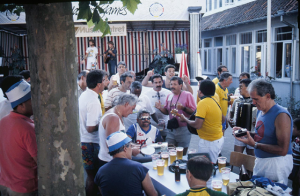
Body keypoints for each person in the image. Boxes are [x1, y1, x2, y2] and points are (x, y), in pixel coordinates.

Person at [234, 79, 293, 185]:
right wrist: (246, 133)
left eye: (256, 99)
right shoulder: (261, 111)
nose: (253, 103)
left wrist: (255, 145)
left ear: (268, 96)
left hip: (276, 164)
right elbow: (261, 136)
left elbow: (283, 150)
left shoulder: (281, 115)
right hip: (262, 161)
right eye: (252, 99)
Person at [0, 77, 37, 196]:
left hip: (5, 183)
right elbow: (41, 161)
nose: (35, 103)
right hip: (24, 188)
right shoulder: (27, 128)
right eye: (31, 100)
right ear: (21, 105)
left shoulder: (3, 121)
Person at [94, 131, 158, 196]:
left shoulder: (100, 171)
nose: (131, 149)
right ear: (125, 148)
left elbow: (102, 192)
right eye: (130, 146)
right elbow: (153, 195)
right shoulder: (138, 168)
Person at [79, 70, 108, 196]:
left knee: (91, 177)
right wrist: (104, 123)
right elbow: (90, 127)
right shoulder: (93, 101)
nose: (105, 83)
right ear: (98, 84)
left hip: (85, 141)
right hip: (91, 143)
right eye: (104, 80)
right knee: (94, 178)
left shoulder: (85, 95)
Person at [179, 80, 223, 164]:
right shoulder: (214, 100)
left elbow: (197, 125)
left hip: (210, 142)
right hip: (216, 139)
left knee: (206, 168)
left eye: (198, 89)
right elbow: (223, 118)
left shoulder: (203, 103)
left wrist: (185, 119)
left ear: (201, 92)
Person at [155, 76, 196, 154]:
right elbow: (167, 112)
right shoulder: (169, 95)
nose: (172, 86)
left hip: (184, 129)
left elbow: (194, 112)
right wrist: (160, 108)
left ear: (180, 85)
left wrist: (183, 108)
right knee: (167, 150)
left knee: (182, 153)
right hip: (171, 129)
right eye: (171, 84)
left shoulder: (187, 95)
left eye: (175, 84)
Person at [98, 93, 140, 166]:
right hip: (110, 161)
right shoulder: (113, 118)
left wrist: (132, 145)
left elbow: (119, 140)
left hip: (110, 160)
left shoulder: (116, 114)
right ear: (126, 104)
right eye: (132, 109)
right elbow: (112, 145)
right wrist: (132, 150)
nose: (132, 112)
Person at [229, 79, 254, 156]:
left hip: (252, 133)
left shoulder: (255, 101)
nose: (239, 89)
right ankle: (238, 167)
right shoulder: (237, 101)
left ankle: (248, 168)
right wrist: (230, 119)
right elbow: (231, 113)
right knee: (237, 155)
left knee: (251, 156)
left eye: (241, 87)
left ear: (248, 88)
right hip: (240, 132)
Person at [143, 74, 172, 141]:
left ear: (162, 82)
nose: (158, 84)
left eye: (159, 82)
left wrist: (160, 108)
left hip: (166, 124)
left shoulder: (168, 93)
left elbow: (170, 109)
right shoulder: (146, 94)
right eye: (156, 82)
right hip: (152, 124)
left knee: (165, 144)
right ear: (152, 83)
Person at [289, 118, 300, 196]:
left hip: (298, 169)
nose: (292, 129)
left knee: (297, 183)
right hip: (294, 166)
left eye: (294, 127)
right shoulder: (296, 139)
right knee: (294, 184)